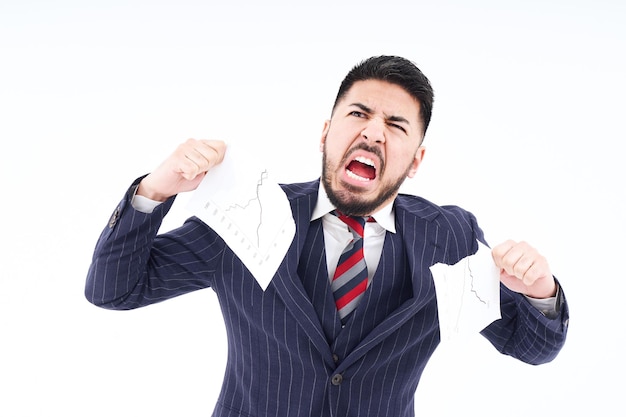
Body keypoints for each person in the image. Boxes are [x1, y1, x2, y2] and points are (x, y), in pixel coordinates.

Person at [85, 55, 568, 417]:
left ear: (416, 161)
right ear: (326, 132)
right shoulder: (244, 214)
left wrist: (541, 290)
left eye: (396, 126)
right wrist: (154, 190)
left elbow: (533, 346)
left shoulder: (449, 237)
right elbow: (113, 289)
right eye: (359, 115)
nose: (374, 133)